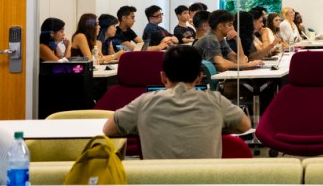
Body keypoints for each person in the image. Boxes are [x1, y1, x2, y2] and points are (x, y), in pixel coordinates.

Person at [103, 45, 250, 159]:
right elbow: (245, 125)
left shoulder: (144, 102)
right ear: (199, 77)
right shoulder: (215, 101)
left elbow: (108, 129)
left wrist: (143, 125)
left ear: (163, 77)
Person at [196, 9, 263, 73]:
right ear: (220, 26)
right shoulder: (210, 39)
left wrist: (238, 40)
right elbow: (222, 66)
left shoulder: (221, 39)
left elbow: (240, 61)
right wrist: (249, 65)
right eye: (230, 25)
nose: (233, 28)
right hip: (202, 81)